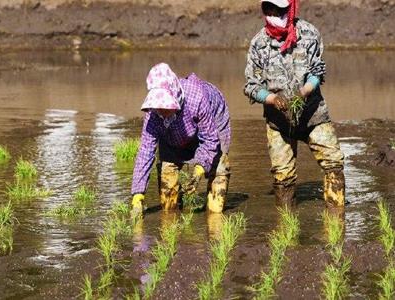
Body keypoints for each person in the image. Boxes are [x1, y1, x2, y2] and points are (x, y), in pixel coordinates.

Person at [244, 0, 345, 209]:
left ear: (290, 9)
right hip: (278, 121)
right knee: (283, 177)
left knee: (333, 162)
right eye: (269, 9)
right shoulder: (259, 43)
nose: (273, 14)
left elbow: (318, 70)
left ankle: (336, 220)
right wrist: (271, 99)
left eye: (279, 10)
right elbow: (251, 86)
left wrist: (306, 90)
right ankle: (286, 226)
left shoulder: (309, 33)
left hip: (312, 114)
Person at [131, 63, 231, 215]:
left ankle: (215, 227)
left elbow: (211, 140)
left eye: (165, 107)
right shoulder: (154, 114)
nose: (161, 111)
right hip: (174, 136)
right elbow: (145, 151)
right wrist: (138, 196)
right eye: (158, 107)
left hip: (212, 120)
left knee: (218, 178)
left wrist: (198, 170)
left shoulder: (197, 99)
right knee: (167, 204)